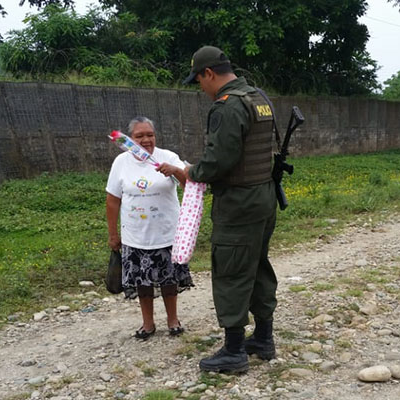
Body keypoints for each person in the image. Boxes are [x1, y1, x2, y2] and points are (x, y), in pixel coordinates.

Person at [182, 46, 279, 373]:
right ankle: (263, 338)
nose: (201, 88)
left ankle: (234, 351)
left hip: (238, 204)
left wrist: (190, 172)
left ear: (209, 73)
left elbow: (218, 162)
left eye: (199, 81)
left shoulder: (228, 106)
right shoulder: (258, 98)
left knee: (232, 270)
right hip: (263, 196)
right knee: (258, 265)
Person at [106, 116, 194, 340]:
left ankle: (173, 320)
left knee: (169, 280)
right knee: (142, 282)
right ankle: (148, 324)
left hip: (167, 233)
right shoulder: (121, 162)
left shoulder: (168, 157)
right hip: (135, 235)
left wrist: (175, 171)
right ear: (130, 139)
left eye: (150, 135)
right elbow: (113, 200)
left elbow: (189, 184)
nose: (146, 140)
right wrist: (113, 234)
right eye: (139, 136)